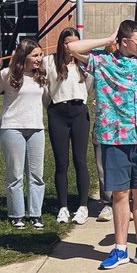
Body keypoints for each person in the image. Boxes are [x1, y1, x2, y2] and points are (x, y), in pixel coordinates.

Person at [67, 20, 137, 269]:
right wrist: (108, 41)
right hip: (116, 135)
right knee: (120, 194)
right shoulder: (104, 61)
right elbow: (74, 48)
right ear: (124, 42)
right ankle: (119, 249)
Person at [44, 28, 93, 226]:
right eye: (67, 43)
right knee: (61, 162)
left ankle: (82, 206)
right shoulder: (50, 61)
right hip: (58, 112)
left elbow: (89, 88)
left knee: (80, 160)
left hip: (79, 111)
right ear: (61, 44)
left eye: (75, 42)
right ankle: (63, 206)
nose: (70, 46)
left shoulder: (85, 64)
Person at [0, 39, 47, 230]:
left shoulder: (41, 75)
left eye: (40, 55)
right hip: (12, 127)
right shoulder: (7, 74)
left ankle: (35, 214)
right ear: (23, 56)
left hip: (36, 128)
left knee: (36, 174)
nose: (39, 59)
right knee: (15, 174)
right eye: (35, 55)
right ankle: (16, 214)